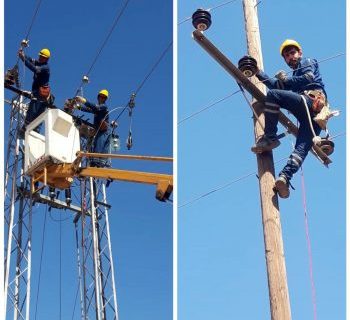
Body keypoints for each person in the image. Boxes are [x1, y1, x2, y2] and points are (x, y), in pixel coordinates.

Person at [251, 39, 327, 199]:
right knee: (301, 149)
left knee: (272, 96)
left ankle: (270, 137)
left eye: (292, 53)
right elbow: (276, 86)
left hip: (311, 102)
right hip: (312, 115)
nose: (290, 57)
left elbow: (308, 78)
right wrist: (258, 72)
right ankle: (284, 178)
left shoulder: (307, 62)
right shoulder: (292, 76)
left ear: (299, 52)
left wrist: (287, 80)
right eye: (287, 55)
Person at [18, 48, 55, 131]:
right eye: (40, 56)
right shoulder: (40, 63)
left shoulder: (45, 67)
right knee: (34, 111)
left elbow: (34, 69)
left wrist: (23, 58)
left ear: (46, 59)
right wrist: (23, 55)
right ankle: (30, 129)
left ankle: (28, 129)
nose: (39, 57)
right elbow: (31, 59)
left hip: (41, 93)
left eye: (42, 56)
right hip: (39, 93)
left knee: (33, 111)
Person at [75, 89, 111, 167]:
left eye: (104, 97)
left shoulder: (104, 107)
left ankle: (97, 164)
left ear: (105, 99)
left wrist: (84, 101)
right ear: (98, 97)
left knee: (99, 148)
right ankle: (94, 163)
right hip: (99, 130)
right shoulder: (97, 109)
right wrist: (78, 107)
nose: (102, 98)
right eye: (101, 96)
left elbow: (95, 107)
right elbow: (89, 109)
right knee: (95, 147)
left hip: (104, 131)